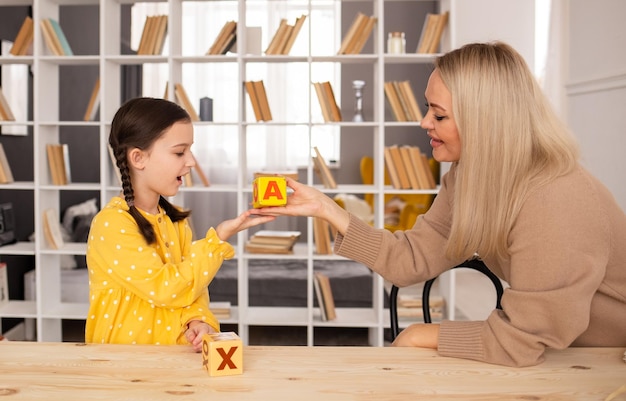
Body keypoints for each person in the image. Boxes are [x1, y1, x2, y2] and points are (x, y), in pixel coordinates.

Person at [252, 42, 626, 367]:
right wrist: (325, 209)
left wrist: (420, 334)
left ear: (486, 121)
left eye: (439, 114)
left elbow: (521, 340)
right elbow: (411, 259)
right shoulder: (469, 176)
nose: (423, 122)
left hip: (607, 360)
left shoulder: (555, 196)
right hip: (564, 352)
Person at [85, 97, 274, 352]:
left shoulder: (176, 221)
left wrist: (198, 320)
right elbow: (167, 288)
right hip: (123, 364)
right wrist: (217, 239)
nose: (191, 161)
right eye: (179, 152)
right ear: (138, 158)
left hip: (174, 358)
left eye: (190, 150)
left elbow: (192, 289)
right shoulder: (111, 224)